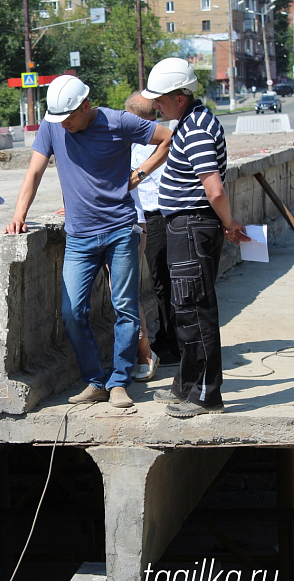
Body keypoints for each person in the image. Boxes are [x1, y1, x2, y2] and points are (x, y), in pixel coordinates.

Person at [5, 75, 172, 408]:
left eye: (69, 118)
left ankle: (120, 381)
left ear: (85, 106)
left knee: (124, 307)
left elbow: (166, 138)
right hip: (79, 237)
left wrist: (137, 175)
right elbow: (34, 172)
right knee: (72, 312)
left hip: (121, 231)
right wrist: (19, 214)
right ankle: (95, 381)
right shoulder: (53, 126)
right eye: (58, 119)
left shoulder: (118, 121)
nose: (64, 125)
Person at [142, 58, 248, 419]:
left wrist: (230, 223)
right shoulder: (190, 123)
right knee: (185, 308)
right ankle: (186, 385)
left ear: (179, 97)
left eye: (160, 99)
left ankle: (206, 396)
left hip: (191, 225)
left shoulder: (197, 129)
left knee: (195, 311)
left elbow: (214, 189)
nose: (156, 105)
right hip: (185, 225)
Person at [124, 92, 170, 382]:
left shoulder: (163, 137)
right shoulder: (125, 139)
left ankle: (162, 345)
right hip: (142, 216)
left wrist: (138, 174)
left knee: (164, 281)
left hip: (160, 214)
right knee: (156, 283)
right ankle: (162, 342)